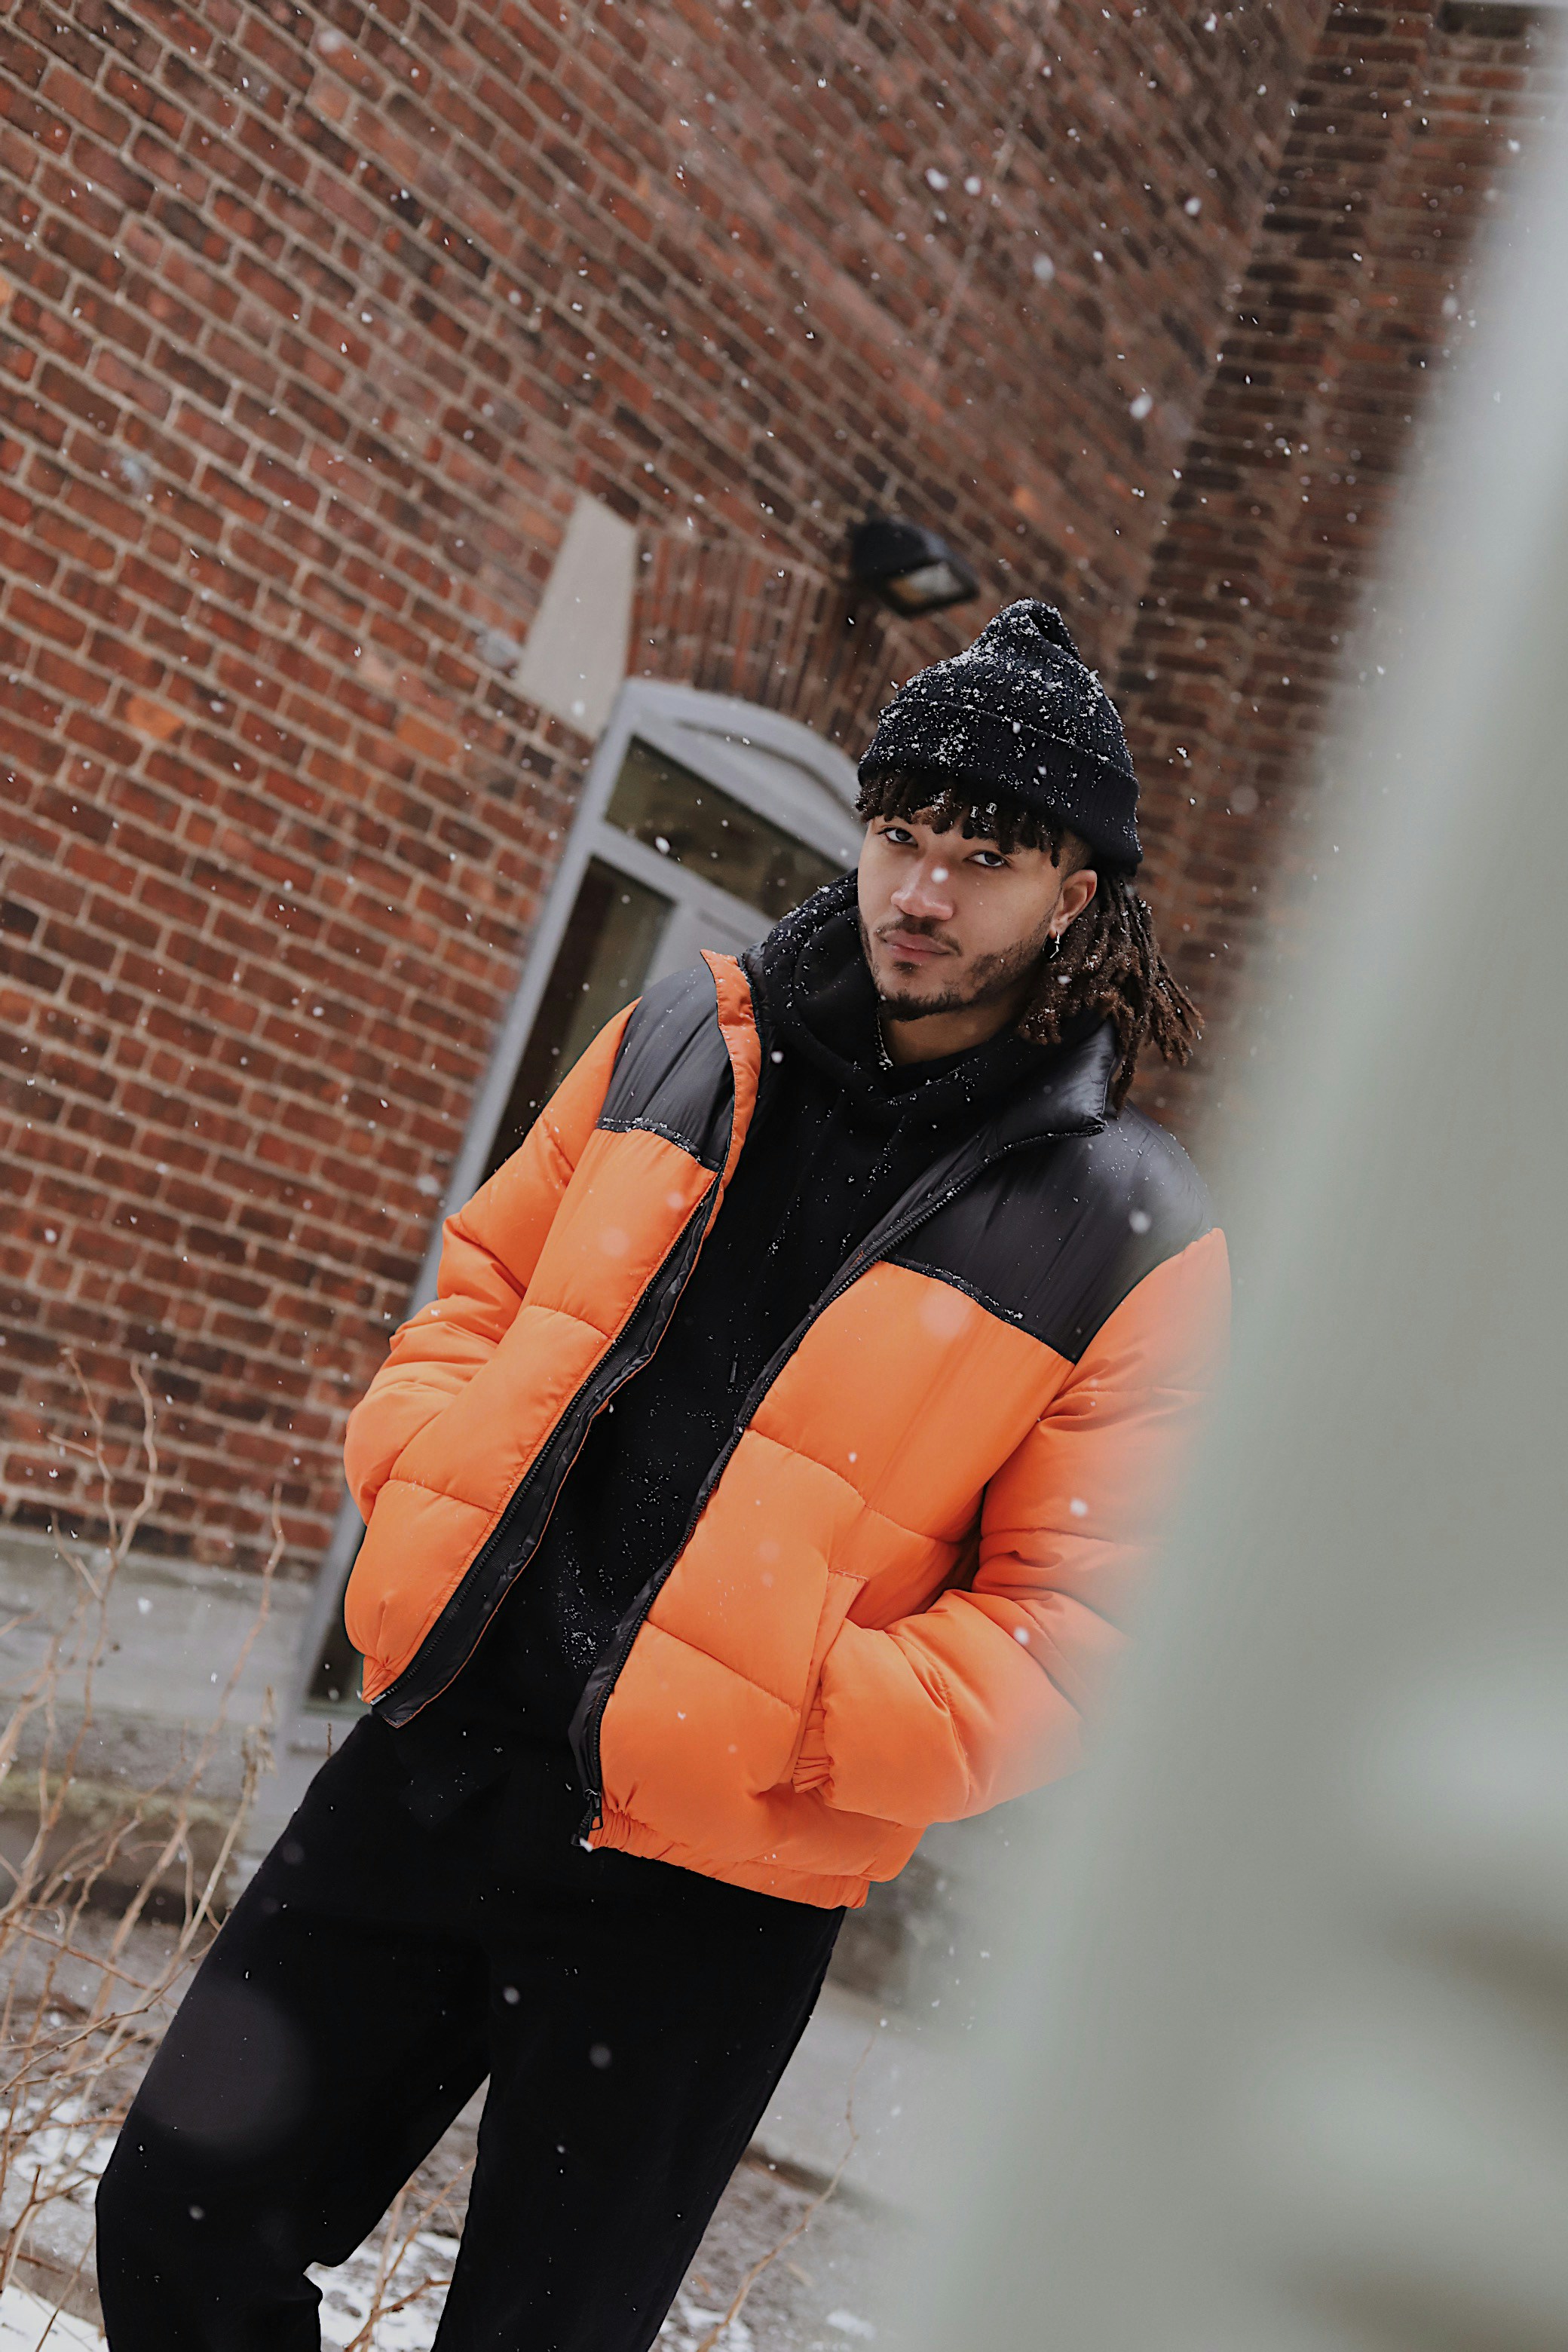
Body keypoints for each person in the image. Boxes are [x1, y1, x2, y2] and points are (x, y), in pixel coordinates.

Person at [96, 600, 1230, 2350]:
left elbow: (1074, 1630)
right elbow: (470, 1300)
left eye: (981, 859)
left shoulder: (1126, 1231)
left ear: (1073, 895)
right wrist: (424, 1486)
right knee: (175, 2221)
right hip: (439, 1763)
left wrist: (788, 1715)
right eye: (897, 836)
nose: (918, 892)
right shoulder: (675, 1047)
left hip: (712, 1884)